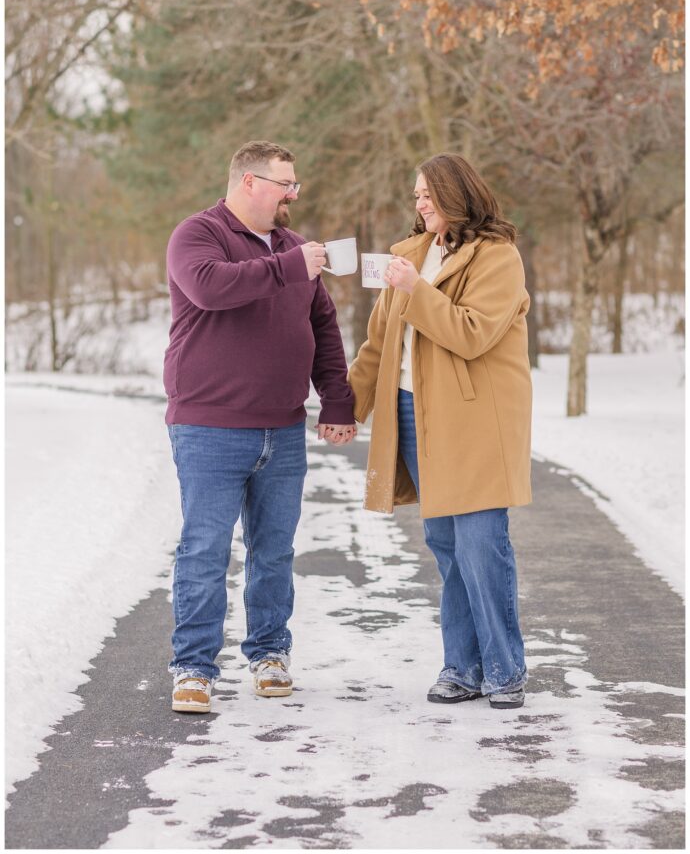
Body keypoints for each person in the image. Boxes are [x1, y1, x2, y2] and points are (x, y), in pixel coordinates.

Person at [164, 140, 356, 713]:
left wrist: (337, 402)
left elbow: (324, 330)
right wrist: (287, 266)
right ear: (249, 182)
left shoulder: (297, 251)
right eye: (285, 183)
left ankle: (269, 654)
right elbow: (211, 287)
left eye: (295, 184)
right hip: (209, 427)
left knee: (273, 552)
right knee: (204, 550)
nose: (293, 193)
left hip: (284, 428)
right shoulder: (197, 235)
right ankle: (194, 669)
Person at [348, 153, 531, 709]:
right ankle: (461, 667)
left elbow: (472, 333)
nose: (419, 203)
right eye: (416, 194)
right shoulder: (410, 255)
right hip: (412, 410)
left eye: (427, 194)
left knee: (481, 544)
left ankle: (505, 669)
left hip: (474, 419)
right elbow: (380, 342)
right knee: (447, 546)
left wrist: (418, 291)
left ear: (456, 195)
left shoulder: (498, 257)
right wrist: (345, 406)